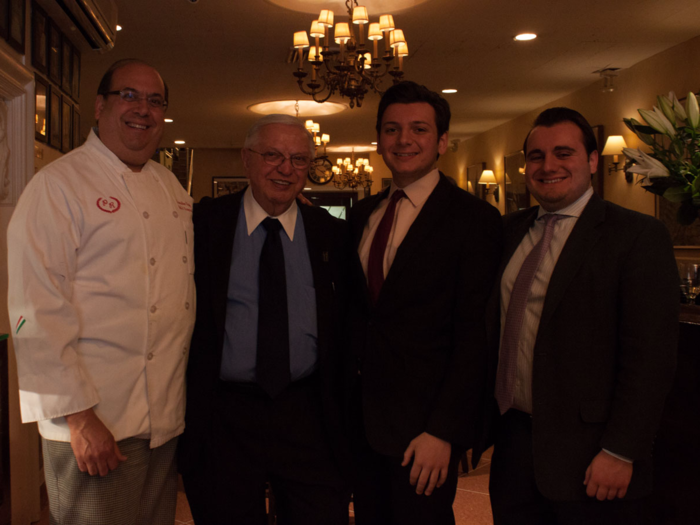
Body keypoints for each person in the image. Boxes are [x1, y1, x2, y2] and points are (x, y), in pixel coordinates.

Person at [7, 59, 194, 524]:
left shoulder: (170, 186)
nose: (143, 110)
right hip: (95, 421)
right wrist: (79, 418)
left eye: (155, 101)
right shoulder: (58, 185)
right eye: (129, 95)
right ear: (100, 106)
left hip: (162, 419)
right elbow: (36, 308)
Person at [487, 107, 679, 524]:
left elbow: (651, 357)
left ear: (592, 161)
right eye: (536, 156)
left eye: (563, 153)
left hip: (594, 453)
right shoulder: (506, 232)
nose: (548, 166)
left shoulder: (636, 236)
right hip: (514, 445)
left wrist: (621, 449)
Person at [179, 114, 351, 524]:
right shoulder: (203, 225)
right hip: (225, 416)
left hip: (309, 412)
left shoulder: (330, 233)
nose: (286, 169)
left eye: (298, 159)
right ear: (246, 160)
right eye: (272, 155)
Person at [347, 81, 502, 525]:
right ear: (379, 140)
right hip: (360, 423)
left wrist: (445, 431)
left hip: (425, 430)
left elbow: (476, 334)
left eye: (418, 129)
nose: (404, 140)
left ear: (442, 141)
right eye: (392, 129)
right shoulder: (363, 215)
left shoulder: (474, 220)